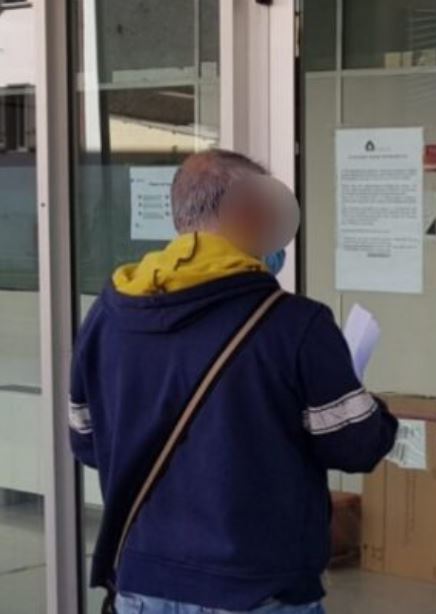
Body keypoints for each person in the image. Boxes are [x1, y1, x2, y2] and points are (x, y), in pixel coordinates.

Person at [68, 150, 398, 613]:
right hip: (257, 589)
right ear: (248, 212)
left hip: (144, 586)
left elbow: (87, 442)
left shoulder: (109, 315)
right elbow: (356, 446)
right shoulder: (295, 324)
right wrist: (372, 412)